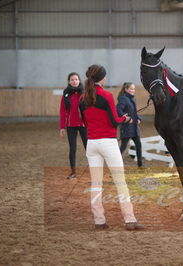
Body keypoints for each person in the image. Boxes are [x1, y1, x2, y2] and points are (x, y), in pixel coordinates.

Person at [79, 64, 144, 231]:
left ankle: (99, 220)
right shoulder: (106, 95)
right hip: (108, 142)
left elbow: (86, 123)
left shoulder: (82, 99)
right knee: (120, 182)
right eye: (105, 76)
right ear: (102, 78)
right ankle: (130, 220)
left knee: (96, 184)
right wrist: (126, 119)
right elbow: (115, 120)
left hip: (92, 144)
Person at [59, 72, 87, 179]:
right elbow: (63, 111)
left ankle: (94, 170)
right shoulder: (66, 94)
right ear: (68, 82)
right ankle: (73, 172)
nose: (74, 81)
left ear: (79, 80)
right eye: (72, 80)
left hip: (84, 124)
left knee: (89, 148)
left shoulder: (84, 93)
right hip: (71, 125)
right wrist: (62, 127)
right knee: (72, 148)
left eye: (76, 79)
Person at [116, 82, 143, 167]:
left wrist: (138, 118)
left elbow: (134, 112)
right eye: (131, 89)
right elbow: (118, 111)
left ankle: (140, 166)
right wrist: (126, 118)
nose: (133, 90)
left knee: (139, 145)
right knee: (123, 147)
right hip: (127, 127)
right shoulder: (123, 99)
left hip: (135, 127)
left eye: (134, 89)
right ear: (126, 89)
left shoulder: (133, 99)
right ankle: (115, 164)